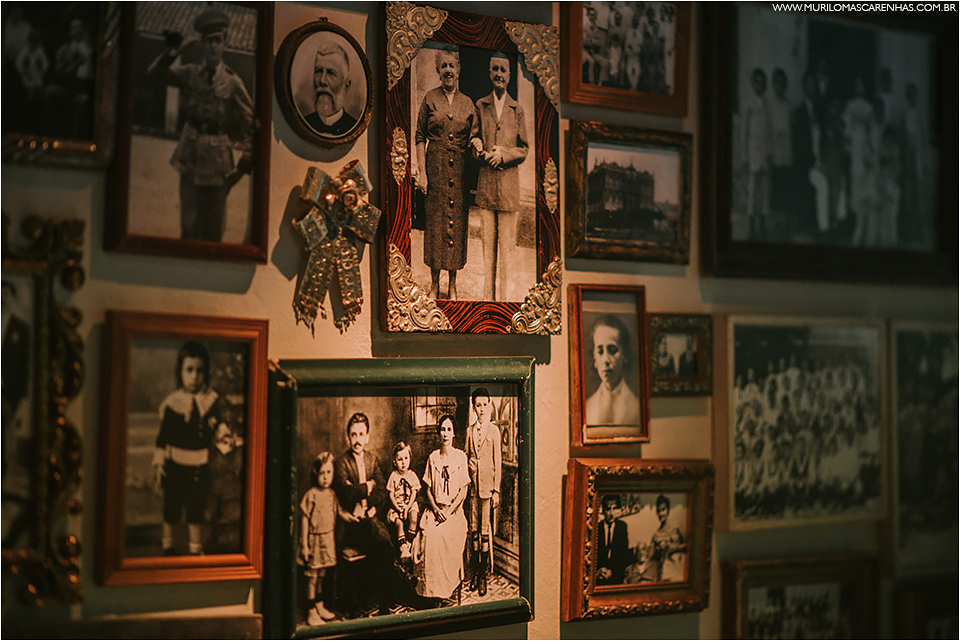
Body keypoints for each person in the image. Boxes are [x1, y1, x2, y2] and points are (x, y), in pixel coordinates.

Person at [146, 8, 255, 242]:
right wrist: (179, 49)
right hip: (190, 155)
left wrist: (245, 163)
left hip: (218, 165)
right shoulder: (191, 73)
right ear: (202, 44)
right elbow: (154, 75)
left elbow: (253, 124)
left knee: (213, 232)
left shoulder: (233, 83)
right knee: (189, 227)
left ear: (224, 43)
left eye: (218, 41)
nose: (214, 47)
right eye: (208, 42)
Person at [414, 48, 478, 301]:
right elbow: (420, 136)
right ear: (438, 71)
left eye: (452, 66)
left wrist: (478, 144)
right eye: (444, 67)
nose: (449, 71)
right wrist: (422, 173)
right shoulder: (430, 98)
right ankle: (433, 284)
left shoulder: (468, 102)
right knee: (436, 225)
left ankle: (452, 285)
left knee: (457, 225)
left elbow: (475, 136)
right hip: (436, 167)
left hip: (460, 170)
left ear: (459, 69)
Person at [152, 340, 224, 556]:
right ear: (180, 372)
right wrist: (159, 465)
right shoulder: (173, 403)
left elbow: (218, 428)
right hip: (175, 466)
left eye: (200, 371)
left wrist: (225, 436)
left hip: (199, 467)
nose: (194, 376)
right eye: (189, 370)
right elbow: (162, 438)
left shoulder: (210, 402)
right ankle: (168, 546)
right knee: (171, 509)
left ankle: (195, 550)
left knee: (196, 510)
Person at [472, 51, 530, 301]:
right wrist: (477, 147)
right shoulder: (480, 105)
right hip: (486, 189)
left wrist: (504, 154)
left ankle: (504, 303)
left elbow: (524, 149)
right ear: (489, 73)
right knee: (488, 255)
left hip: (508, 192)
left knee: (506, 254)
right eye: (494, 69)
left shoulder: (517, 109)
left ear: (509, 76)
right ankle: (487, 302)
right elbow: (473, 141)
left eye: (503, 70)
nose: (498, 74)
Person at [332, 413, 396, 615]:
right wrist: (367, 486)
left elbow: (382, 492)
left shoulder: (372, 459)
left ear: (367, 436)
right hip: (352, 524)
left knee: (385, 544)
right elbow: (345, 492)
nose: (357, 439)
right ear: (347, 438)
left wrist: (371, 502)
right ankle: (361, 605)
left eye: (361, 434)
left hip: (371, 517)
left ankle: (385, 604)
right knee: (381, 544)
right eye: (353, 435)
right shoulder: (341, 463)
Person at [299, 452, 358, 626]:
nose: (325, 477)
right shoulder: (311, 494)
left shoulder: (332, 494)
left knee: (322, 574)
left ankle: (318, 604)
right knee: (313, 576)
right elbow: (304, 519)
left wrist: (352, 517)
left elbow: (340, 512)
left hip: (327, 540)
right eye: (322, 473)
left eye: (329, 473)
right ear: (316, 474)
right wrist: (304, 544)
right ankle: (310, 610)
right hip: (314, 541)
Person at [417, 415, 470, 600]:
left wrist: (448, 511)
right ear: (439, 433)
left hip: (454, 513)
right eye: (442, 429)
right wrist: (436, 509)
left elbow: (463, 490)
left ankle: (448, 587)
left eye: (449, 429)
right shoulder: (433, 457)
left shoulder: (461, 457)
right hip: (436, 510)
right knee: (429, 535)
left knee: (445, 536)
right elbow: (428, 490)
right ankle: (433, 593)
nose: (445, 433)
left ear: (454, 433)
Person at [465, 388, 502, 596]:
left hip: (488, 490)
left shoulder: (494, 431)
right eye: (477, 405)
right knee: (474, 532)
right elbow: (466, 457)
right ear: (473, 407)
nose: (481, 409)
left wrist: (496, 490)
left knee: (484, 532)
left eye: (484, 405)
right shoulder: (470, 431)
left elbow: (498, 461)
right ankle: (476, 574)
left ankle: (483, 577)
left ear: (489, 406)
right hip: (472, 489)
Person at [585, 314, 640, 427]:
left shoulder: (636, 408)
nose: (606, 360)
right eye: (600, 352)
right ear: (595, 360)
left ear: (624, 355)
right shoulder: (587, 407)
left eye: (613, 350)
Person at [305, 40, 357, 136]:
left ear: (346, 85)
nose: (322, 81)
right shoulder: (305, 123)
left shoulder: (353, 126)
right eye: (318, 71)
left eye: (330, 73)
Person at [744, 68, 769, 240]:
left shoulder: (767, 105)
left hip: (765, 154)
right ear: (752, 84)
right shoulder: (749, 103)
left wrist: (771, 153)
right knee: (753, 190)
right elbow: (745, 132)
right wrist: (744, 157)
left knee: (764, 190)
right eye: (756, 83)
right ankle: (752, 224)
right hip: (752, 152)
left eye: (762, 83)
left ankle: (763, 224)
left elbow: (770, 131)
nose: (759, 86)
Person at [385, 441, 421, 559]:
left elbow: (414, 494)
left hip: (409, 505)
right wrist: (398, 508)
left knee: (414, 518)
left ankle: (409, 544)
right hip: (397, 505)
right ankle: (403, 547)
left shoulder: (412, 475)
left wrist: (407, 509)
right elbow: (391, 495)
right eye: (400, 459)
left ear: (410, 459)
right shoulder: (394, 476)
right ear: (394, 462)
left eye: (406, 458)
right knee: (399, 523)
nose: (403, 462)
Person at [640, 495, 686, 582]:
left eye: (663, 510)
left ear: (668, 510)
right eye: (659, 511)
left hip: (679, 570)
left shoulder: (677, 528)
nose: (661, 514)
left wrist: (673, 548)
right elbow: (651, 556)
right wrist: (657, 549)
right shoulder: (656, 534)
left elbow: (688, 546)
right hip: (664, 573)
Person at [596, 494, 629, 585]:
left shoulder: (622, 527)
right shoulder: (597, 528)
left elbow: (623, 555)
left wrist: (612, 571)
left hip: (616, 576)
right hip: (599, 576)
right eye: (608, 509)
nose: (611, 513)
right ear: (603, 510)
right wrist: (598, 571)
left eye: (614, 508)